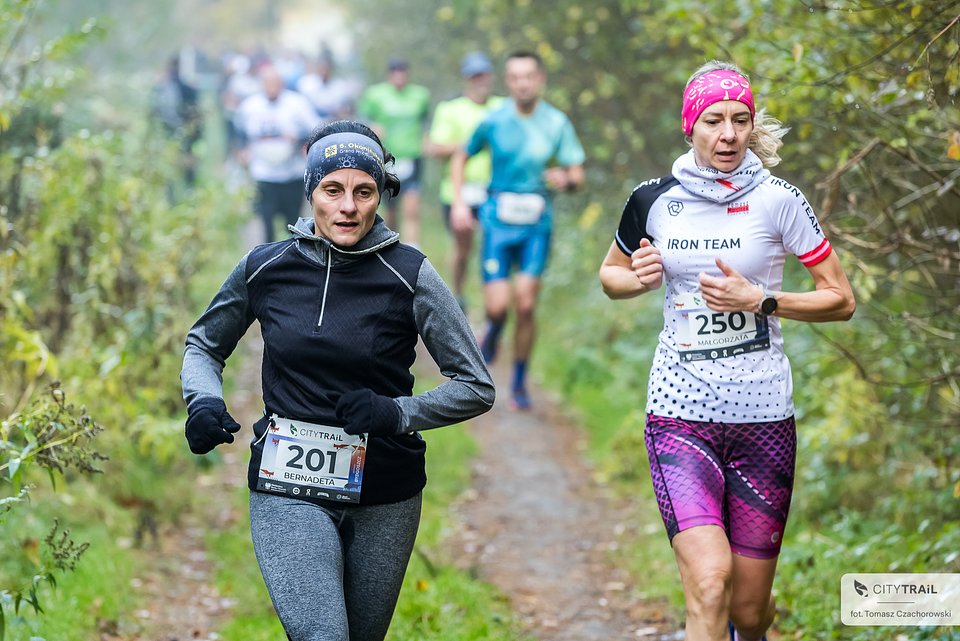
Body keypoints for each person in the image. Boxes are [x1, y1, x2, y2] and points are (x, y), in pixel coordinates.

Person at [180, 120, 495, 641]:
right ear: (311, 192)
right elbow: (204, 344)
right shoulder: (266, 266)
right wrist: (203, 402)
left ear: (380, 197)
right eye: (333, 190)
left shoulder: (411, 273)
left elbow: (475, 385)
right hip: (288, 484)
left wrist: (396, 413)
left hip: (386, 490)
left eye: (363, 191)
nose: (348, 206)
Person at [598, 61, 856, 641]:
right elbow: (610, 275)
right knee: (710, 581)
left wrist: (761, 299)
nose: (729, 135)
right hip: (679, 414)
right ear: (690, 126)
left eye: (741, 120)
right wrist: (635, 277)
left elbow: (841, 299)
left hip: (763, 418)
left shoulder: (780, 199)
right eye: (714, 121)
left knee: (746, 609)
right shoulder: (652, 200)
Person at [449, 50, 585, 410]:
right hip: (497, 221)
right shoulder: (494, 120)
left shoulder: (556, 123)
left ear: (540, 80)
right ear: (508, 82)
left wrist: (565, 179)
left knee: (525, 305)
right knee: (497, 308)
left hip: (536, 225)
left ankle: (520, 383)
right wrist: (461, 202)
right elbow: (461, 155)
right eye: (515, 77)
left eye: (529, 76)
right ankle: (492, 332)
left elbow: (576, 173)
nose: (523, 82)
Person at [424, 52, 503, 311]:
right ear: (467, 79)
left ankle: (491, 301)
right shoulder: (450, 109)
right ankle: (457, 294)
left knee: (493, 246)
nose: (480, 80)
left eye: (484, 74)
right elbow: (434, 149)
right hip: (458, 191)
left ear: (491, 77)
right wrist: (470, 144)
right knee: (463, 247)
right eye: (474, 76)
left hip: (495, 190)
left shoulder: (503, 107)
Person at [234, 65, 318, 243]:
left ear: (282, 83)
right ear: (262, 84)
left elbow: (315, 129)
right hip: (264, 174)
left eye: (275, 82)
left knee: (293, 224)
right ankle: (269, 263)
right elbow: (239, 130)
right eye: (267, 82)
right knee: (267, 222)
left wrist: (298, 140)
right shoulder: (250, 106)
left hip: (292, 174)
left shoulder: (297, 103)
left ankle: (294, 262)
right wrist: (242, 150)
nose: (271, 87)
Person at [357, 57, 430, 247]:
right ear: (390, 74)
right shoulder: (376, 95)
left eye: (403, 71)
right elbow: (363, 117)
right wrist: (373, 127)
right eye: (395, 72)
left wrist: (425, 140)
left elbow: (424, 121)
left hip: (412, 156)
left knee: (412, 206)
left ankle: (414, 248)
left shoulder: (420, 95)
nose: (400, 76)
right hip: (387, 158)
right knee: (390, 207)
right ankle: (390, 243)